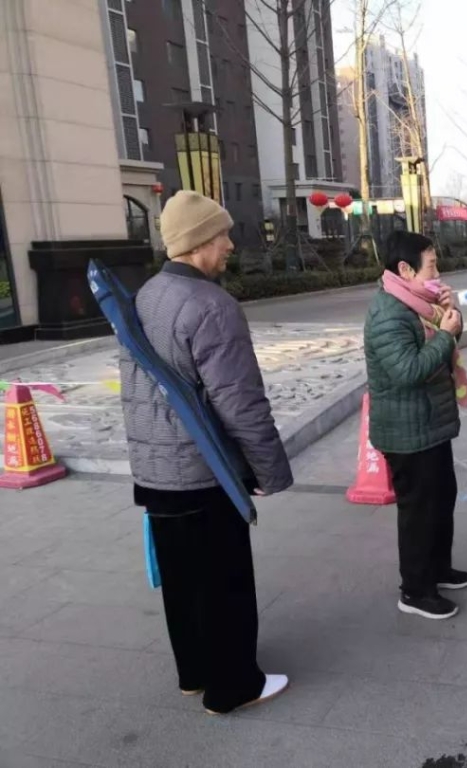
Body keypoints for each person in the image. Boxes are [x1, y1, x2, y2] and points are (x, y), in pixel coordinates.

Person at [120, 191, 294, 715]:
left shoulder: (144, 296)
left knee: (181, 581)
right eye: (222, 235)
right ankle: (234, 686)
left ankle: (194, 673)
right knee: (224, 582)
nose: (230, 245)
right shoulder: (211, 306)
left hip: (155, 473)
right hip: (203, 471)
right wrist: (269, 471)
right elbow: (240, 402)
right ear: (198, 243)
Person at [364, 231, 467, 621]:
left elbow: (445, 341)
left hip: (430, 424)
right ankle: (415, 590)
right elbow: (408, 371)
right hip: (407, 431)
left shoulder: (418, 303)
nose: (437, 273)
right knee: (419, 511)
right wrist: (445, 334)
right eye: (431, 265)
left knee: (442, 498)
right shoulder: (389, 312)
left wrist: (449, 318)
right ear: (405, 269)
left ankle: (438, 569)